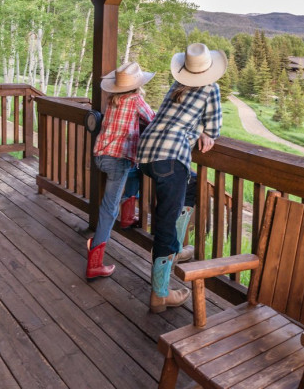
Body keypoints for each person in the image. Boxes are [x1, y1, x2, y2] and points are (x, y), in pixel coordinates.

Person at [137, 43, 226, 313]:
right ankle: (160, 294)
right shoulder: (211, 88)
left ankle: (174, 251)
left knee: (194, 184)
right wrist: (205, 132)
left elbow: (173, 118)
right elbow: (215, 126)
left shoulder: (177, 86)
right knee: (164, 223)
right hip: (169, 157)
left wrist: (195, 130)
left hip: (146, 152)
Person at [87, 62, 155, 279]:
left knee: (134, 169)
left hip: (100, 156)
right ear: (137, 85)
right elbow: (152, 121)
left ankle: (127, 216)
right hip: (118, 161)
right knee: (108, 209)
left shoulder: (112, 100)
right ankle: (94, 264)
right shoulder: (136, 101)